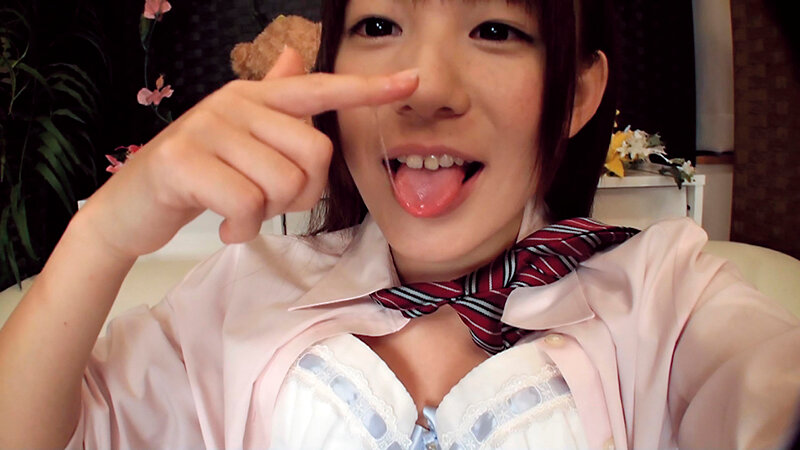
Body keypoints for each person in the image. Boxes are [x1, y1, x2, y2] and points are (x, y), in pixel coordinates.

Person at [1, 0, 799, 448]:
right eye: (379, 26)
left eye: (495, 30)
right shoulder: (240, 293)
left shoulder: (669, 299)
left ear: (579, 94)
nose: (427, 92)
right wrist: (106, 232)